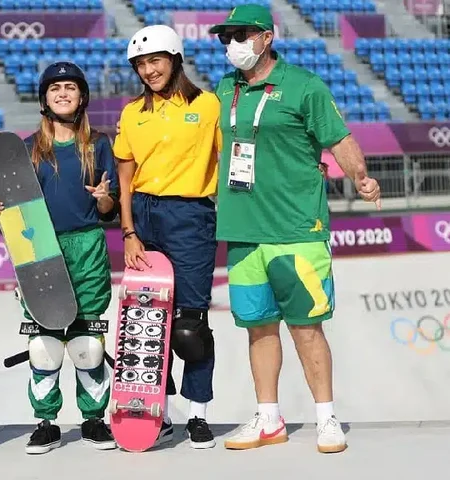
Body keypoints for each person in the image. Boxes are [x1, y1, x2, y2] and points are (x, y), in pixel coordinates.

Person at [207, 4, 381, 454]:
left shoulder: (304, 86)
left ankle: (326, 418)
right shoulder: (225, 88)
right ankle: (269, 419)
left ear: (267, 37)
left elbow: (339, 138)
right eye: (227, 37)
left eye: (242, 34)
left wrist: (360, 177)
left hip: (298, 229)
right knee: (259, 329)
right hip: (244, 232)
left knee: (307, 329)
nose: (233, 44)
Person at [0, 62, 119, 454]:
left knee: (88, 343)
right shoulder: (28, 150)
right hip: (40, 248)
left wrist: (104, 198)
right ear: (45, 98)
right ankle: (45, 422)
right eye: (55, 88)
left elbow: (109, 208)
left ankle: (94, 419)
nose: (63, 94)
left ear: (81, 97)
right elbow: (14, 206)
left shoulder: (99, 144)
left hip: (88, 245)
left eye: (70, 88)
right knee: (43, 342)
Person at [112, 24, 222, 449]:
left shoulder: (207, 105)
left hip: (191, 215)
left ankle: (197, 414)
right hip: (143, 213)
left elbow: (231, 158)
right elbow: (124, 179)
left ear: (174, 59)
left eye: (154, 60)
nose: (148, 70)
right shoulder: (131, 113)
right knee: (146, 322)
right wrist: (129, 232)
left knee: (189, 326)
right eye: (140, 64)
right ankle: (155, 411)